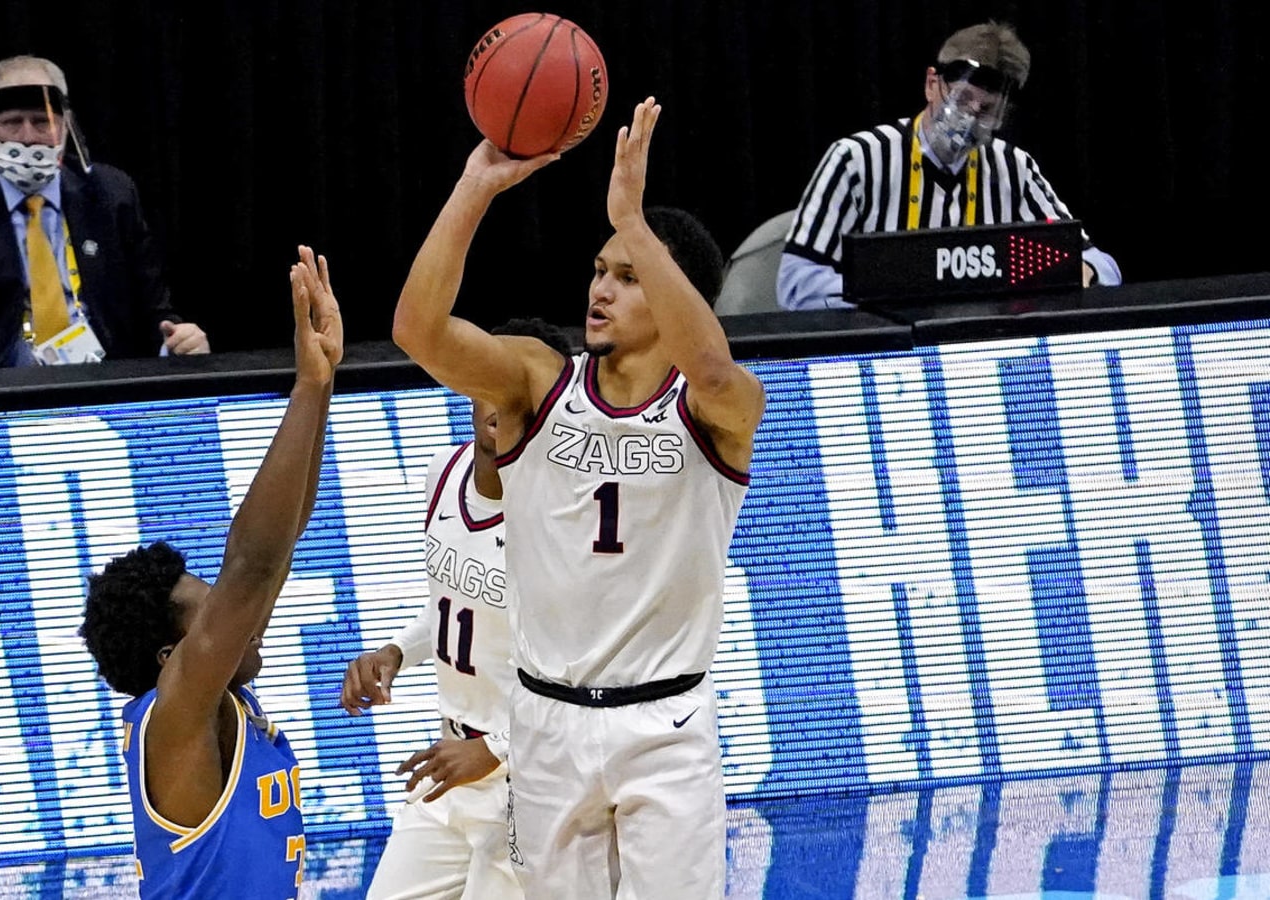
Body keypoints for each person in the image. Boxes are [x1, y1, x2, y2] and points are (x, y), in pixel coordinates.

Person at [392, 98, 765, 900]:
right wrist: (475, 188)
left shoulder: (717, 409)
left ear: (676, 297)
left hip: (663, 727)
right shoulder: (535, 379)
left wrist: (632, 218)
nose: (601, 287)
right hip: (545, 724)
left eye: (629, 276)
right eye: (601, 269)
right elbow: (418, 331)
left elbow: (711, 368)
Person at [80, 245, 340, 899]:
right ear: (172, 654)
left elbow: (276, 551)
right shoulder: (175, 716)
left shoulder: (211, 699)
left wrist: (326, 382)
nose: (246, 620)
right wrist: (305, 387)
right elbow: (250, 567)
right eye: (212, 608)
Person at [340, 318, 573, 900]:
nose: (503, 397)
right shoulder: (443, 473)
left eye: (523, 387)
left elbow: (581, 676)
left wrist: (493, 751)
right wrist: (396, 652)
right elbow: (449, 604)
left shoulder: (562, 512)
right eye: (492, 377)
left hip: (529, 777)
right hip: (448, 764)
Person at [0, 54, 209, 374]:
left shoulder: (112, 194)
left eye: (43, 121)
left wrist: (177, 341)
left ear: (66, 125)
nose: (28, 137)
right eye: (12, 122)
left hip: (104, 381)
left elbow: (155, 309)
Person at [777, 21, 1122, 310]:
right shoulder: (856, 159)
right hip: (885, 345)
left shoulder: (1013, 168)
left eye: (986, 110)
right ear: (931, 84)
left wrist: (1083, 271)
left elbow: (1102, 264)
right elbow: (795, 281)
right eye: (961, 99)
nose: (968, 119)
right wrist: (893, 295)